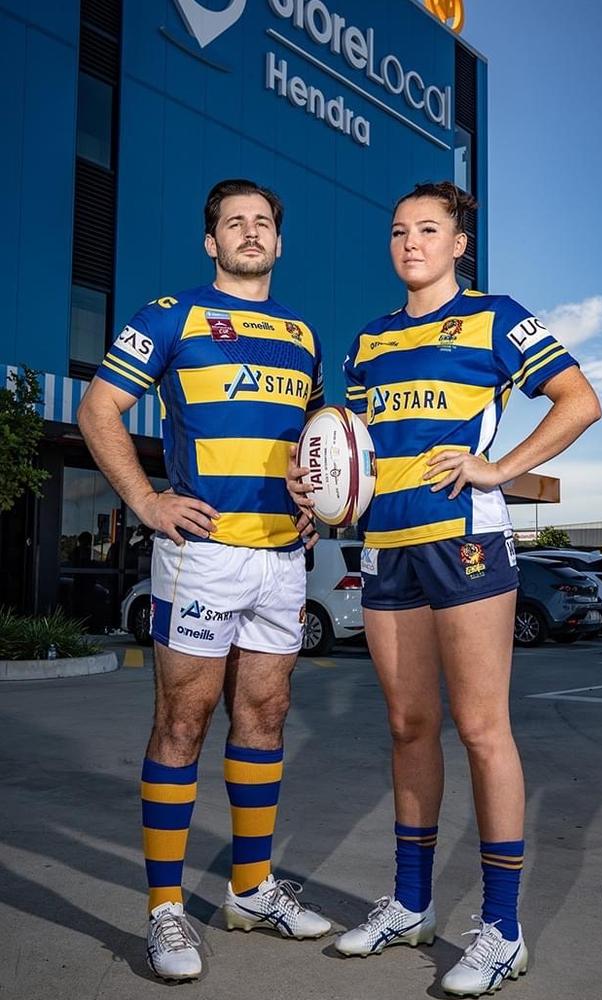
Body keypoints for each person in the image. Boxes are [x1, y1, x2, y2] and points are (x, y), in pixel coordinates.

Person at [289, 181, 601, 996]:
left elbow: (580, 400)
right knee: (406, 725)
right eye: (398, 231)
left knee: (482, 727)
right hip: (386, 547)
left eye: (428, 229)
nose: (410, 242)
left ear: (460, 242)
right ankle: (411, 904)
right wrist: (318, 487)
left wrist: (498, 468)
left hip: (465, 544)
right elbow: (349, 450)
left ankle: (503, 930)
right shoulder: (368, 341)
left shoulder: (496, 317)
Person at [78, 178, 329, 982]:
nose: (250, 232)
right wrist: (147, 501)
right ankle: (165, 912)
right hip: (204, 552)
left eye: (263, 223)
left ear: (279, 244)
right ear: (210, 242)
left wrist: (317, 504)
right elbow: (97, 408)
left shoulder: (302, 335)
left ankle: (251, 888)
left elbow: (312, 449)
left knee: (265, 713)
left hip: (282, 557)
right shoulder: (171, 315)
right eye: (233, 223)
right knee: (183, 719)